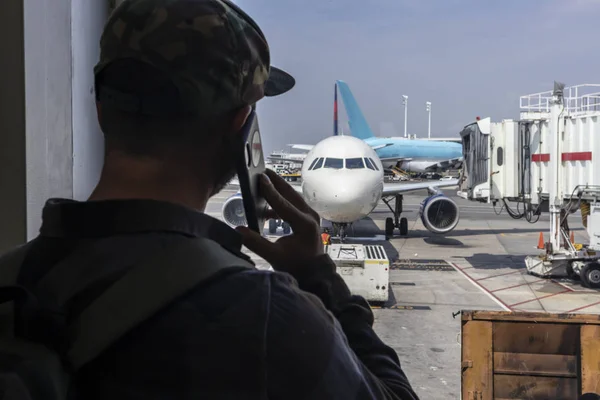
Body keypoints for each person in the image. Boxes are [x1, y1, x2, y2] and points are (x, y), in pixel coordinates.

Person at [1, 0, 419, 399]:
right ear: (241, 125)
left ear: (99, 107)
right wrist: (319, 278)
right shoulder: (267, 317)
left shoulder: (13, 280)